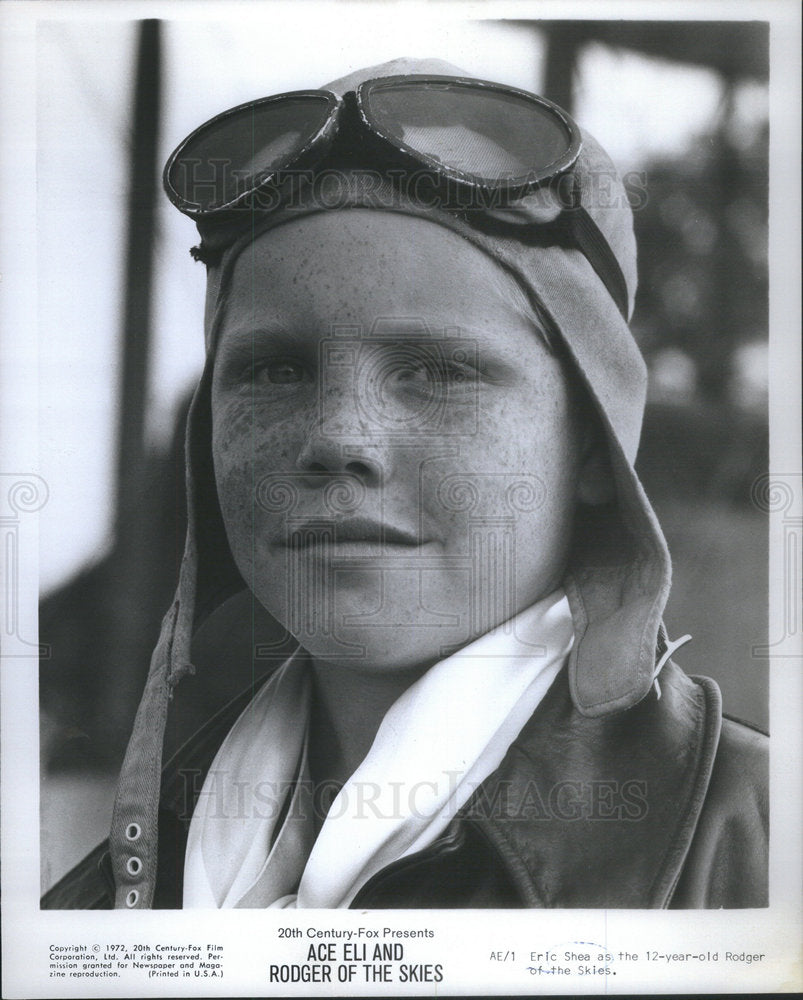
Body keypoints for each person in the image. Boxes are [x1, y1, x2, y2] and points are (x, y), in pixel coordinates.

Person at [43, 58, 767, 910]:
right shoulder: (96, 901)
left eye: (437, 369)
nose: (337, 438)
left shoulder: (755, 855)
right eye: (274, 371)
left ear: (590, 445)